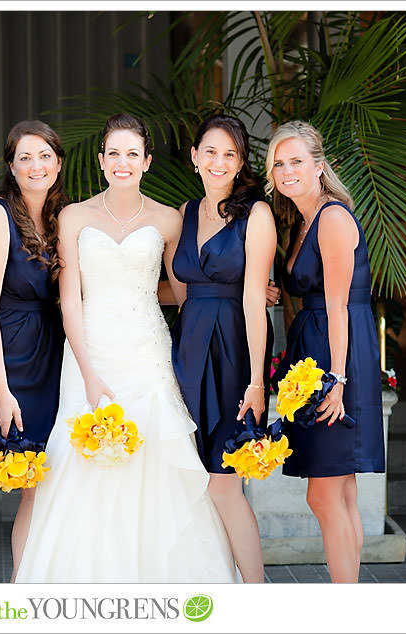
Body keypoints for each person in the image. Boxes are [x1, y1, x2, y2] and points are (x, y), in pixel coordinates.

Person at [15, 113, 238, 583]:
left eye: (132, 154)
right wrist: (89, 371)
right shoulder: (74, 216)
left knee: (157, 459)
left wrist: (241, 295)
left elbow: (184, 292)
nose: (123, 162)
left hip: (148, 352)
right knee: (81, 462)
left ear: (147, 161)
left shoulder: (168, 219)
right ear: (100, 161)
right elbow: (69, 297)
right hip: (88, 349)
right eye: (113, 153)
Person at [267, 120, 384, 583]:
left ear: (319, 165)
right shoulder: (304, 219)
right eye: (278, 163)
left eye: (296, 160)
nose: (286, 170)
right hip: (317, 350)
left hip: (338, 356)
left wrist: (336, 380)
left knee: (323, 496)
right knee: (342, 493)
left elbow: (338, 306)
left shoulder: (332, 217)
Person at [170, 114, 277, 583]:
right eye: (209, 151)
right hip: (188, 348)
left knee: (225, 482)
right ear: (194, 157)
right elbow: (176, 290)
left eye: (229, 153)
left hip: (234, 347)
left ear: (240, 163)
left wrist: (257, 382)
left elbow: (256, 300)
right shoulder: (184, 212)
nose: (218, 161)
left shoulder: (258, 214)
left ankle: (256, 594)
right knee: (194, 481)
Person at [0, 120, 67, 582]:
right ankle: (22, 590)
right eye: (25, 157)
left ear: (58, 162)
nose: (36, 165)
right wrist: (1, 391)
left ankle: (38, 584)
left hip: (53, 355)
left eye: (44, 155)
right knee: (33, 482)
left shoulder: (62, 215)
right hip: (11, 358)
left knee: (48, 483)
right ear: (10, 165)